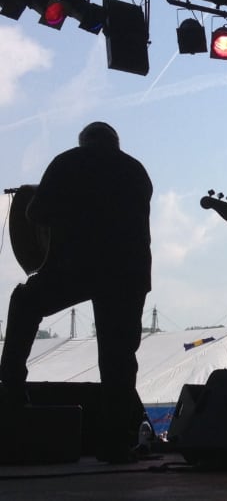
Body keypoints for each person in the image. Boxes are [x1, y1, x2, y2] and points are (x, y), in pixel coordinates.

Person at [0, 122, 153, 463]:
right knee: (118, 358)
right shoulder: (136, 170)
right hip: (129, 272)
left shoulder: (68, 161)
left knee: (24, 302)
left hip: (77, 266)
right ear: (116, 143)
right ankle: (115, 443)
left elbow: (35, 212)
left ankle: (11, 390)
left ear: (84, 142)